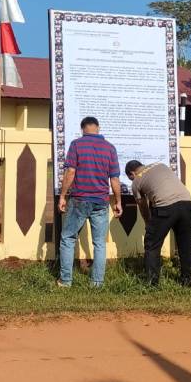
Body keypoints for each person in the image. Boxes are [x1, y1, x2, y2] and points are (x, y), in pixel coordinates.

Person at [58, 116, 122, 288]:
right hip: (101, 201)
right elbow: (114, 179)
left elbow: (71, 172)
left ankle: (65, 281)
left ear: (82, 129)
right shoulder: (110, 148)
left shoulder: (76, 145)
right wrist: (118, 202)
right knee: (99, 243)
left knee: (68, 238)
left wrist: (63, 196)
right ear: (98, 128)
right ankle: (96, 283)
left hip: (79, 199)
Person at [125, 159, 191, 287]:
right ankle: (187, 281)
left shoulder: (136, 181)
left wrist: (148, 223)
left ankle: (152, 283)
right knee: (185, 245)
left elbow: (143, 206)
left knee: (152, 244)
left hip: (165, 207)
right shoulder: (160, 164)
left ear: (132, 173)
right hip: (187, 205)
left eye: (130, 178)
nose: (132, 181)